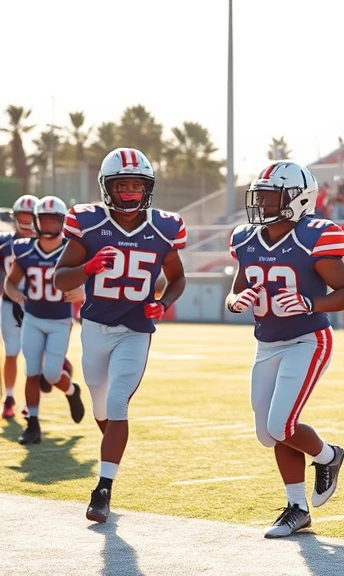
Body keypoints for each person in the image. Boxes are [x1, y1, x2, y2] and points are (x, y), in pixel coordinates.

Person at [227, 161, 344, 537]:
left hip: (307, 339)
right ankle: (297, 509)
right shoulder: (247, 239)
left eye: (272, 197)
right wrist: (236, 301)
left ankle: (329, 456)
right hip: (266, 342)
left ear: (298, 200)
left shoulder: (313, 236)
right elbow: (236, 289)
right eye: (261, 196)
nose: (263, 204)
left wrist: (309, 302)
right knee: (268, 433)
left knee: (281, 423)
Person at [54, 147, 188, 524]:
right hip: (95, 326)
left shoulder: (165, 226)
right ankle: (110, 455)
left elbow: (177, 277)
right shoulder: (87, 222)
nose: (130, 193)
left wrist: (162, 303)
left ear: (148, 187)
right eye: (122, 185)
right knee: (101, 408)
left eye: (136, 185)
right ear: (106, 187)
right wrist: (89, 266)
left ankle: (103, 489)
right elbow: (60, 277)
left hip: (135, 329)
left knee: (117, 403)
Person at [4, 197, 85, 444]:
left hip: (60, 320)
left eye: (54, 220)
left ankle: (72, 390)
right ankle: (33, 424)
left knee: (51, 373)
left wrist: (82, 292)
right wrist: (15, 295)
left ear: (62, 222)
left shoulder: (71, 250)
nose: (49, 225)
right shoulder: (25, 248)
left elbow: (89, 276)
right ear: (37, 221)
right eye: (45, 220)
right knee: (32, 371)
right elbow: (10, 282)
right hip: (33, 318)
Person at [0, 195, 38, 418]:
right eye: (22, 217)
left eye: (30, 217)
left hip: (38, 306)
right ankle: (9, 397)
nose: (26, 222)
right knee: (12, 352)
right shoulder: (5, 243)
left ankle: (30, 402)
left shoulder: (47, 244)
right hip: (9, 304)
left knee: (34, 355)